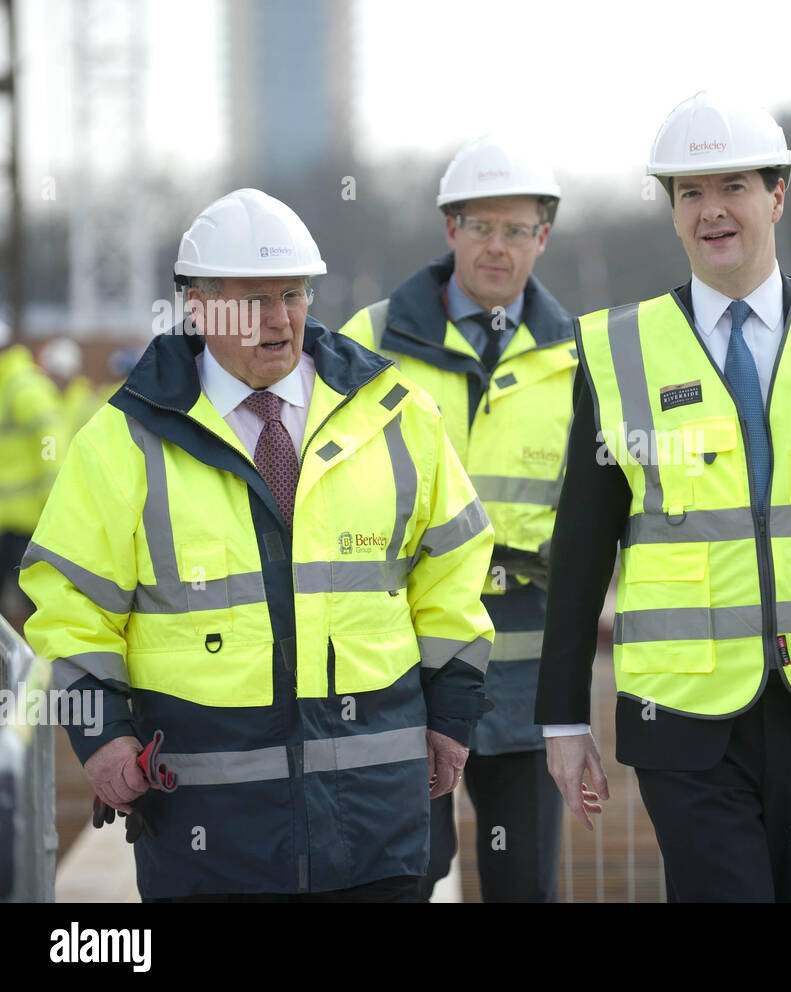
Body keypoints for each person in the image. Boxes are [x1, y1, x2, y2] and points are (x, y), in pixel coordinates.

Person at [19, 188, 495, 901]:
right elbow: (70, 603)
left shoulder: (396, 416)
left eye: (293, 295)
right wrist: (103, 735)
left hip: (375, 830)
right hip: (208, 840)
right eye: (253, 302)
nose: (279, 321)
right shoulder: (125, 441)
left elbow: (454, 566)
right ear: (199, 307)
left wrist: (453, 716)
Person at [536, 91, 791, 902]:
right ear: (673, 212)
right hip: (682, 721)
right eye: (690, 194)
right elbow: (580, 550)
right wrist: (563, 719)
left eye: (734, 188)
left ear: (778, 195)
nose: (712, 212)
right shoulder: (619, 351)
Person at [340, 136, 573, 902]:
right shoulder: (370, 342)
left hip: (529, 680)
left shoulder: (581, 358)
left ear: (543, 237)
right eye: (480, 226)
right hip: (405, 674)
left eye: (516, 230)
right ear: (450, 231)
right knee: (404, 874)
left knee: (523, 883)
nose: (496, 247)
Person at [0, 328, 64, 625]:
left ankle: (40, 668)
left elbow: (50, 441)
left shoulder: (23, 386)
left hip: (26, 519)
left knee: (33, 606)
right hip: (9, 519)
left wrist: (49, 497)